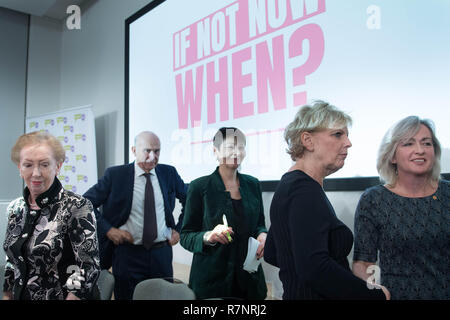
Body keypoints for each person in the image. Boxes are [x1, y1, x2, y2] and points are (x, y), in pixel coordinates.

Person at [264, 101, 390, 300]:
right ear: (308, 140)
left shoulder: (291, 185)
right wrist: (373, 295)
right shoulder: (303, 191)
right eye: (338, 134)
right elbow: (314, 267)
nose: (348, 142)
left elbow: (273, 252)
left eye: (346, 135)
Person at [352, 116, 449, 300]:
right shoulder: (374, 200)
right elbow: (363, 263)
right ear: (393, 155)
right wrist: (374, 292)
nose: (419, 150)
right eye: (409, 144)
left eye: (426, 143)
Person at [83, 131, 187, 300]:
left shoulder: (168, 173)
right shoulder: (116, 175)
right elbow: (85, 204)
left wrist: (179, 229)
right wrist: (109, 230)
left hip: (161, 254)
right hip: (127, 255)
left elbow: (189, 199)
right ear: (133, 150)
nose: (152, 156)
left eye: (157, 151)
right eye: (147, 150)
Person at [2, 131, 100, 300]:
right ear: (20, 168)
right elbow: (12, 262)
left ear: (58, 166)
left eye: (44, 164)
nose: (36, 173)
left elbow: (86, 267)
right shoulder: (15, 209)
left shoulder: (77, 206)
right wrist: (7, 295)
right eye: (28, 165)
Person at [180, 127, 268, 300]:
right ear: (215, 151)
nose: (236, 152)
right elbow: (186, 236)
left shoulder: (253, 184)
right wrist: (208, 236)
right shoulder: (199, 187)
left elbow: (259, 224)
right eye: (230, 147)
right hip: (212, 283)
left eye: (241, 147)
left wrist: (263, 235)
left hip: (249, 280)